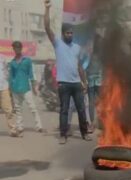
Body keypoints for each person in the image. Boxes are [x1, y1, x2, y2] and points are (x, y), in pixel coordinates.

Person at [44, 0, 92, 144]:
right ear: (63, 33)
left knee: (82, 110)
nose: (70, 35)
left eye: (71, 32)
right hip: (64, 84)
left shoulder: (76, 47)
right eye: (67, 33)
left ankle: (84, 133)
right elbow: (47, 27)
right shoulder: (57, 43)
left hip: (77, 83)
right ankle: (63, 134)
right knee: (64, 110)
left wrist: (84, 82)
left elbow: (79, 67)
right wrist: (47, 9)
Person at [9, 41, 44, 134]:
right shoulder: (12, 62)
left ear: (21, 48)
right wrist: (10, 87)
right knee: (18, 109)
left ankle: (39, 125)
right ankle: (19, 126)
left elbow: (31, 74)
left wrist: (34, 85)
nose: (17, 49)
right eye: (15, 48)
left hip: (26, 88)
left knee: (32, 107)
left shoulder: (27, 60)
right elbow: (11, 76)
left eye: (18, 48)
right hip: (15, 88)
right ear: (13, 49)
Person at [0, 53, 20, 137]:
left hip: (3, 87)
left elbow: (8, 72)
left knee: (8, 109)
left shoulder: (3, 58)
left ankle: (13, 129)